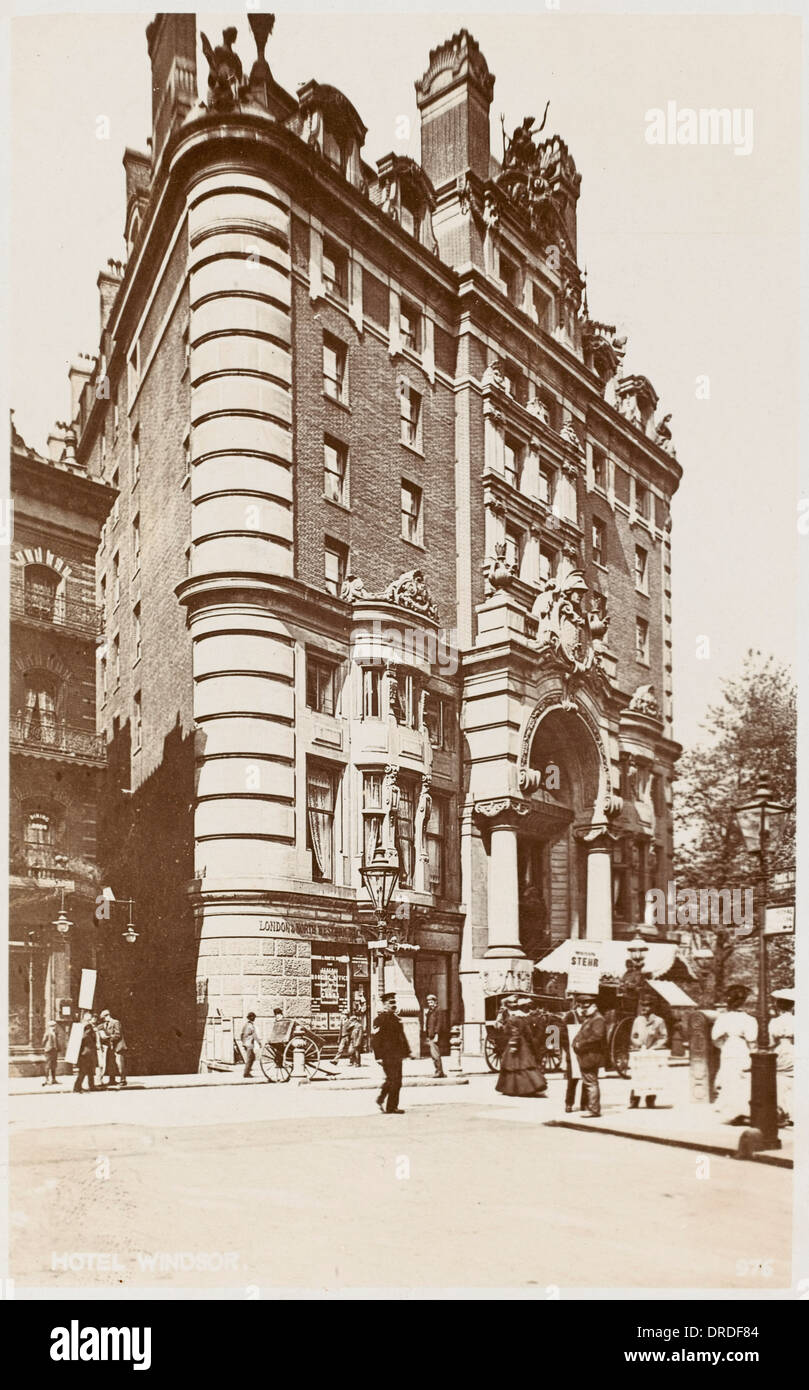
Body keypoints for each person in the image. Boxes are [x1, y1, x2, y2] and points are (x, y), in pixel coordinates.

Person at [711, 984, 758, 1124]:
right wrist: (753, 1053)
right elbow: (752, 1040)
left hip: (728, 1050)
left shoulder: (722, 1018)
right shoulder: (749, 1019)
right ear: (744, 1001)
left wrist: (723, 1046)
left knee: (728, 1079)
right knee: (742, 1080)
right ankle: (744, 1112)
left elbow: (715, 1038)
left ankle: (731, 1113)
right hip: (742, 1050)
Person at [495, 998, 547, 1098]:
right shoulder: (523, 1019)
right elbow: (528, 1033)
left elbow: (514, 1033)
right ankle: (532, 1085)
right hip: (523, 1045)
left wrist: (513, 1045)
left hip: (514, 1044)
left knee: (513, 1066)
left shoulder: (512, 1019)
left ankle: (514, 1088)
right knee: (524, 1066)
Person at [371, 993, 410, 1113]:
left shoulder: (396, 1019)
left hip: (397, 1054)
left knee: (396, 1081)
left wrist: (407, 1052)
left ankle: (386, 1102)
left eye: (394, 1002)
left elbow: (401, 1037)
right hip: (386, 1055)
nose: (393, 1005)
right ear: (384, 1005)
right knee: (393, 1080)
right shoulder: (379, 1020)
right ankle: (388, 1105)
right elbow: (376, 1040)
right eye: (390, 1003)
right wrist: (378, 1057)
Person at [628, 999, 669, 1109]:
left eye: (647, 1006)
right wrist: (639, 1045)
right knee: (637, 1076)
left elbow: (663, 1037)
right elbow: (633, 1036)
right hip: (640, 1052)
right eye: (643, 1006)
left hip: (652, 1053)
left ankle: (650, 1100)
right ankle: (634, 1101)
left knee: (651, 1077)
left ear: (652, 1007)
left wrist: (655, 1047)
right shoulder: (638, 1020)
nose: (644, 1008)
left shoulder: (659, 1021)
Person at [571, 996, 607, 1117]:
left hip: (591, 1055)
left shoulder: (598, 1019)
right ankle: (591, 1107)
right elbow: (581, 1034)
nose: (582, 1009)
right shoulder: (591, 1018)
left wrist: (580, 1044)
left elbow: (597, 1037)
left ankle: (594, 1109)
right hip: (587, 1055)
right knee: (589, 1081)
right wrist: (575, 1043)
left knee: (591, 1082)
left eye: (584, 1006)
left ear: (591, 1006)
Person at [769, 989, 794, 1126]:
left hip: (781, 1050)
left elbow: (771, 1041)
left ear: (778, 1005)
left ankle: (783, 1113)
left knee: (781, 1080)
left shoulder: (775, 1022)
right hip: (794, 1049)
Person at [99, 1009, 128, 1087]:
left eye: (104, 1018)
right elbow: (97, 1028)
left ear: (108, 1015)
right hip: (111, 1047)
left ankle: (123, 1080)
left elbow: (118, 1034)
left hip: (118, 1046)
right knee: (111, 1064)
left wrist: (108, 1038)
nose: (103, 1020)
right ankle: (112, 1080)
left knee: (119, 1064)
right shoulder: (104, 1024)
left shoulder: (115, 1022)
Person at [73, 1014, 98, 1092]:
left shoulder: (84, 1026)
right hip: (86, 1053)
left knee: (90, 1070)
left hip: (87, 1052)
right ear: (88, 1019)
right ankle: (77, 1087)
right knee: (83, 1071)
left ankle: (92, 1086)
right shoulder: (87, 1027)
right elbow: (85, 1037)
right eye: (91, 1019)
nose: (92, 1020)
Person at [422, 993, 445, 1078]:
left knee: (436, 1054)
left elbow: (439, 1024)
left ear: (435, 1002)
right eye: (428, 1001)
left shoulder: (438, 1011)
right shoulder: (430, 1011)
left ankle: (439, 1072)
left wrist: (437, 1034)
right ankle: (438, 1071)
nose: (429, 1003)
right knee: (433, 1054)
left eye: (431, 1001)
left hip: (435, 1035)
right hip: (430, 1035)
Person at [240, 1012, 260, 1078]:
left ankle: (247, 1071)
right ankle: (246, 1073)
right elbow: (254, 1035)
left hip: (246, 1043)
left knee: (252, 1057)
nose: (254, 1018)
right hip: (249, 1044)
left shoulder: (245, 1025)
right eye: (254, 1017)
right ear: (251, 1017)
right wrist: (259, 1042)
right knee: (250, 1058)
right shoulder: (251, 1026)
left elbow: (241, 1034)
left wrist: (243, 1042)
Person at [42, 1020, 59, 1086]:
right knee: (48, 1065)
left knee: (53, 1065)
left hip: (54, 1050)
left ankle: (53, 1079)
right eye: (52, 1026)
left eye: (54, 1026)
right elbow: (43, 1041)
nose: (53, 1027)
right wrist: (46, 1047)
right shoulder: (47, 1033)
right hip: (49, 1051)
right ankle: (47, 1079)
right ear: (49, 1027)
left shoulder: (55, 1033)